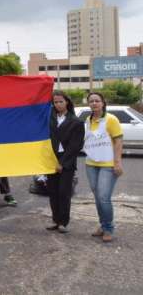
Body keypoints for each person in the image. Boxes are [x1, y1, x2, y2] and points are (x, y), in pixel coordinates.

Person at [83, 92, 124, 243]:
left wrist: (118, 162)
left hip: (108, 164)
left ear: (103, 103)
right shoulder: (88, 119)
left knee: (103, 197)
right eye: (91, 101)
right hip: (91, 164)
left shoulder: (111, 119)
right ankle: (102, 225)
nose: (94, 103)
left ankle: (108, 228)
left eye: (97, 101)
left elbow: (118, 141)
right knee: (98, 197)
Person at [46, 91, 84, 233]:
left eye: (60, 101)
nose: (58, 104)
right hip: (51, 158)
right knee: (53, 192)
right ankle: (55, 220)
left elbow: (76, 146)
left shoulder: (76, 122)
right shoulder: (50, 119)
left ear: (67, 102)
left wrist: (62, 163)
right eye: (55, 102)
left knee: (64, 192)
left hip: (66, 160)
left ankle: (63, 222)